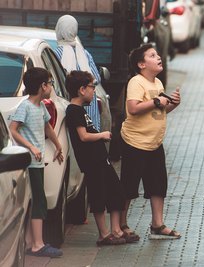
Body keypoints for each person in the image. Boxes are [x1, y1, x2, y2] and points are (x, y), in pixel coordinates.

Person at [65, 70, 139, 246]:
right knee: (98, 196)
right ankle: (104, 234)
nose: (93, 91)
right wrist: (102, 135)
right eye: (92, 87)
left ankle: (116, 230)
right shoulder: (73, 110)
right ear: (82, 89)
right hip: (91, 162)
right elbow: (83, 136)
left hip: (100, 159)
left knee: (117, 192)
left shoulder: (81, 110)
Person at [119, 43, 181, 239]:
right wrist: (156, 101)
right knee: (129, 186)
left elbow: (159, 111)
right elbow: (133, 108)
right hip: (134, 143)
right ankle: (121, 224)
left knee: (158, 185)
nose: (158, 57)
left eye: (157, 54)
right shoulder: (136, 82)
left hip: (154, 143)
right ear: (141, 64)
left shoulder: (158, 84)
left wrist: (173, 105)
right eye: (152, 55)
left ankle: (157, 224)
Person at [9, 67, 64, 258]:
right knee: (38, 201)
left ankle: (31, 242)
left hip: (37, 162)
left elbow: (47, 126)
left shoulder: (40, 107)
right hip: (30, 162)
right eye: (50, 83)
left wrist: (58, 145)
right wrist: (31, 147)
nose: (51, 87)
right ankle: (37, 245)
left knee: (35, 201)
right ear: (43, 86)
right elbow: (13, 129)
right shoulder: (25, 106)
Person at [54, 14, 101, 132]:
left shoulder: (56, 54)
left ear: (58, 30)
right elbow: (97, 79)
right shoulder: (85, 53)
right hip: (89, 106)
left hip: (69, 106)